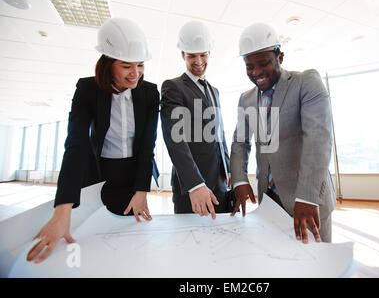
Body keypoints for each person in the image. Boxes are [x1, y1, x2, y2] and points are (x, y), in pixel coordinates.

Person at [26, 18, 160, 263]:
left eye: (140, 65)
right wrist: (63, 208)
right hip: (97, 174)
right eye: (126, 66)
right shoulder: (87, 89)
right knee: (90, 240)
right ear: (108, 64)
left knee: (127, 244)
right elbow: (75, 144)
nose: (135, 74)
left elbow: (147, 145)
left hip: (133, 173)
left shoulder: (150, 92)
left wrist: (141, 190)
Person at [230, 22, 336, 243]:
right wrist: (239, 180)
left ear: (280, 57)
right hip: (269, 204)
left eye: (263, 63)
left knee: (316, 268)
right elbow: (240, 142)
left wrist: (307, 196)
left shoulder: (306, 83)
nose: (256, 72)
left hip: (307, 201)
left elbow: (318, 138)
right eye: (250, 66)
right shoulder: (246, 99)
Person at [161, 21, 231, 219]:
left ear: (209, 53)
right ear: (182, 55)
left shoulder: (214, 91)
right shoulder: (173, 87)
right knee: (192, 244)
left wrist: (227, 167)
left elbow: (220, 133)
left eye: (203, 54)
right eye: (192, 56)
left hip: (220, 182)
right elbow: (175, 138)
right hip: (193, 185)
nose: (198, 61)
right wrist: (195, 183)